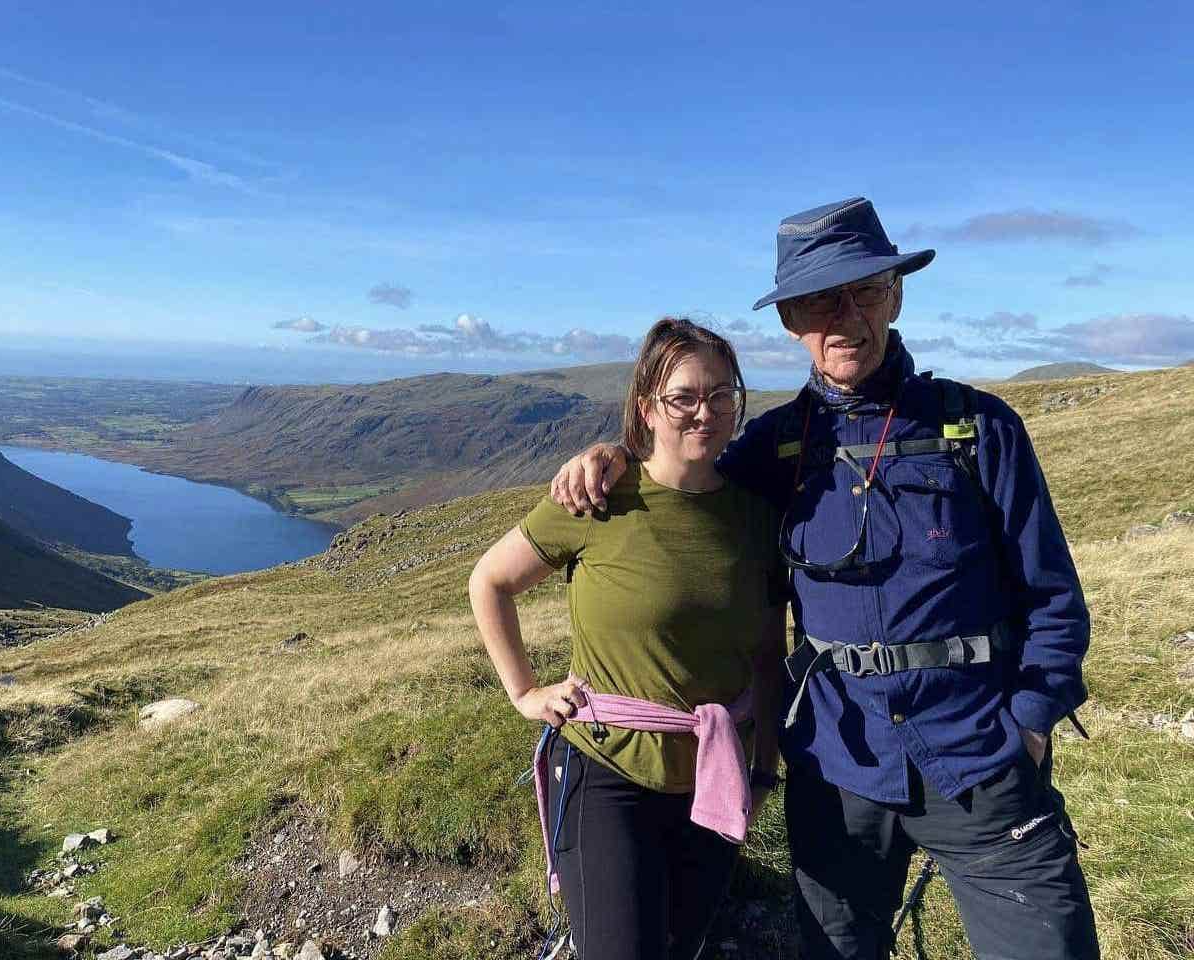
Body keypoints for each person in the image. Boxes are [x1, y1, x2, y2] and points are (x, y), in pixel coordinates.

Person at [549, 198, 1100, 960]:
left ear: (895, 294)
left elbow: (1053, 599)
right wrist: (611, 457)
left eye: (865, 291)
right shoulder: (771, 449)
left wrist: (1032, 724)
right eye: (817, 300)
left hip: (981, 754)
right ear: (790, 322)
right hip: (840, 768)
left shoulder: (981, 429)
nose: (844, 318)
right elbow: (679, 488)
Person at [468, 318, 787, 960]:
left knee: (682, 941)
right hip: (607, 767)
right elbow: (490, 582)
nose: (706, 412)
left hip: (712, 773)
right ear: (647, 408)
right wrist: (525, 691)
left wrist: (764, 769)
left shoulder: (757, 517)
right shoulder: (597, 498)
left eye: (723, 395)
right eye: (684, 398)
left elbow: (765, 656)